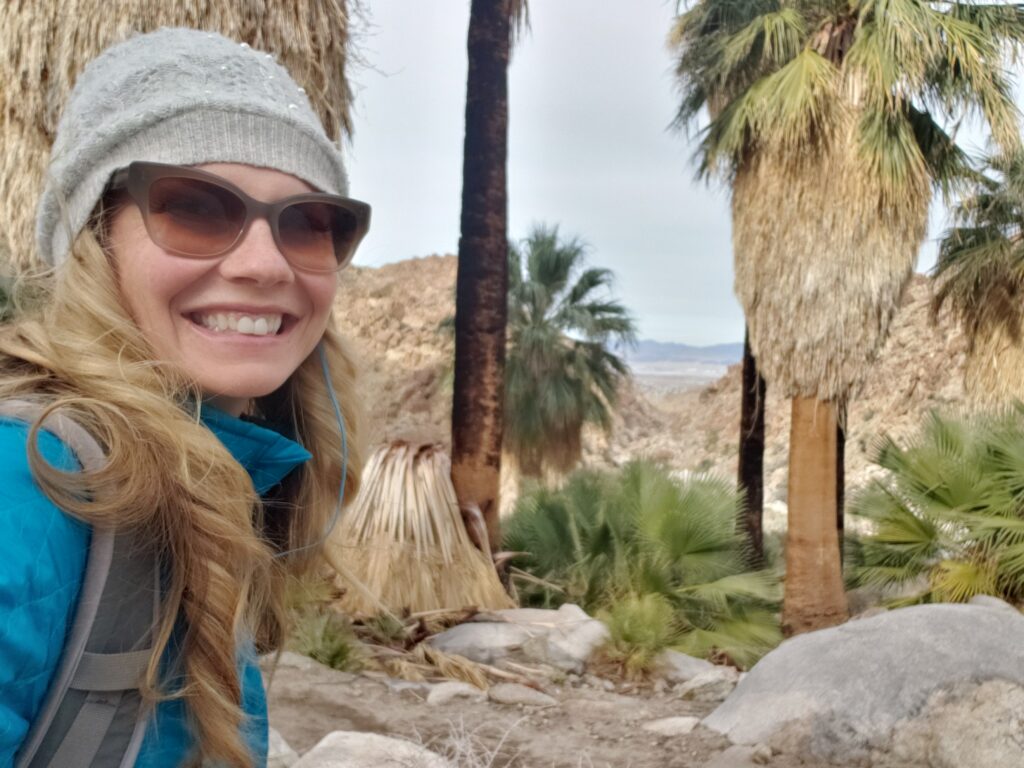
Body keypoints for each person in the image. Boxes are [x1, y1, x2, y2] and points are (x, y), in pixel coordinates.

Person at [0, 27, 367, 767]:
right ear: (94, 238)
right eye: (195, 207)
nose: (265, 264)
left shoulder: (223, 480)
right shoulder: (32, 486)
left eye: (307, 223)